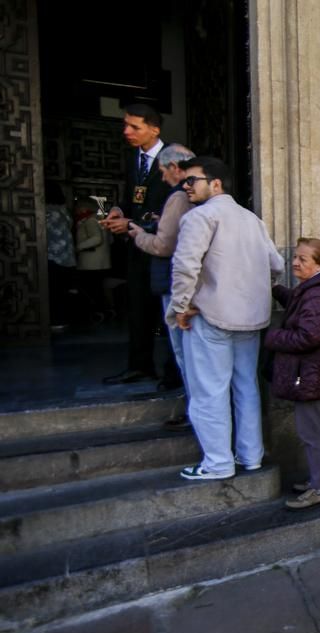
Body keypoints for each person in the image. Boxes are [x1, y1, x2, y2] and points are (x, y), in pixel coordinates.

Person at [170, 157, 284, 480]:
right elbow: (275, 265)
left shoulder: (200, 217)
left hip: (212, 316)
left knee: (209, 390)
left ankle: (218, 462)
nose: (186, 187)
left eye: (192, 180)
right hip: (250, 318)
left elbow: (184, 265)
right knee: (246, 387)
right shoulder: (252, 220)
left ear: (215, 183)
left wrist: (180, 306)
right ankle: (251, 457)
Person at [266, 238, 320, 509]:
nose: (295, 263)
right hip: (312, 373)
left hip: (310, 373)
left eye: (303, 259)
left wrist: (273, 337)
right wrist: (278, 290)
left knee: (312, 431)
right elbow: (301, 305)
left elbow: (308, 335)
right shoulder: (315, 288)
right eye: (296, 257)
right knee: (315, 428)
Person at [99, 104, 173, 386]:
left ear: (154, 129)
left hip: (164, 247)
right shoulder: (133, 160)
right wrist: (118, 210)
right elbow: (130, 196)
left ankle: (173, 373)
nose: (126, 131)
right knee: (138, 309)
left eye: (135, 127)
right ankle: (140, 365)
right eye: (126, 125)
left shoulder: (174, 159)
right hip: (136, 247)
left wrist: (132, 221)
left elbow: (175, 209)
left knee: (168, 312)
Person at [128, 143, 196, 422]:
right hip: (190, 286)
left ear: (174, 168)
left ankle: (195, 413)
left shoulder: (179, 197)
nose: (163, 178)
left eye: (163, 172)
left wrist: (137, 235)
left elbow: (164, 246)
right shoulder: (193, 198)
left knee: (185, 354)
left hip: (175, 284)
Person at [74, 197, 112, 320]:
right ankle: (106, 311)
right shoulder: (101, 220)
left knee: (92, 289)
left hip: (90, 262)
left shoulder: (90, 220)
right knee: (99, 288)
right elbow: (110, 240)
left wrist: (78, 247)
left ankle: (97, 312)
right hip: (101, 262)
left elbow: (97, 238)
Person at [44, 184, 76, 329]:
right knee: (62, 290)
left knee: (54, 291)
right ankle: (62, 319)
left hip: (53, 256)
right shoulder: (65, 212)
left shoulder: (49, 213)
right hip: (67, 257)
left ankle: (57, 320)